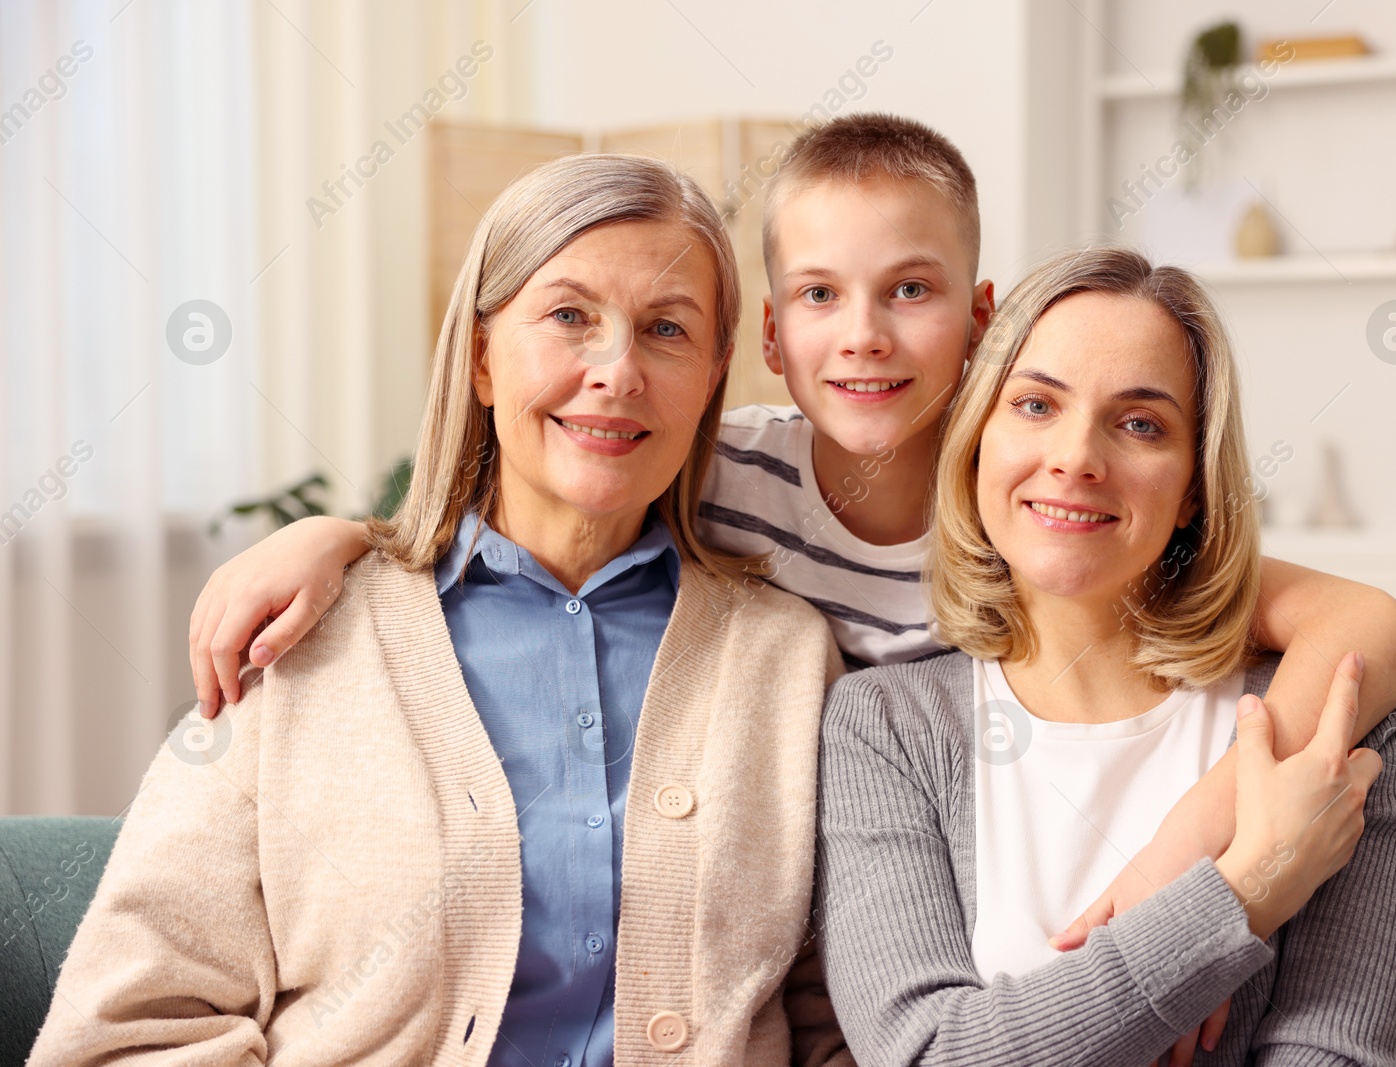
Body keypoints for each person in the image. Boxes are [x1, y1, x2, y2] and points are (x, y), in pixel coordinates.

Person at [187, 118, 1396, 941]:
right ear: (773, 343)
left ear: (983, 317)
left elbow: (1368, 624)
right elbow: (544, 491)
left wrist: (1185, 862)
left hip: (992, 889)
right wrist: (344, 534)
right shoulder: (719, 474)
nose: (867, 336)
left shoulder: (1038, 502)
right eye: (821, 297)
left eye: (912, 291)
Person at [30, 155, 846, 1066]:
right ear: (481, 358)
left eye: (666, 328)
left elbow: (836, 1020)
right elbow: (122, 1029)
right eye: (570, 316)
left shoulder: (789, 657)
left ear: (712, 377)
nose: (617, 371)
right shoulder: (306, 637)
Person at [813, 247, 1396, 1067]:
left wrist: (1179, 868)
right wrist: (1244, 894)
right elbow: (930, 1053)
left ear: (1191, 490)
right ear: (973, 449)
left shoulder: (1344, 721)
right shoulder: (883, 728)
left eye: (1141, 423)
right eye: (1035, 405)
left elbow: (1335, 1053)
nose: (1077, 457)